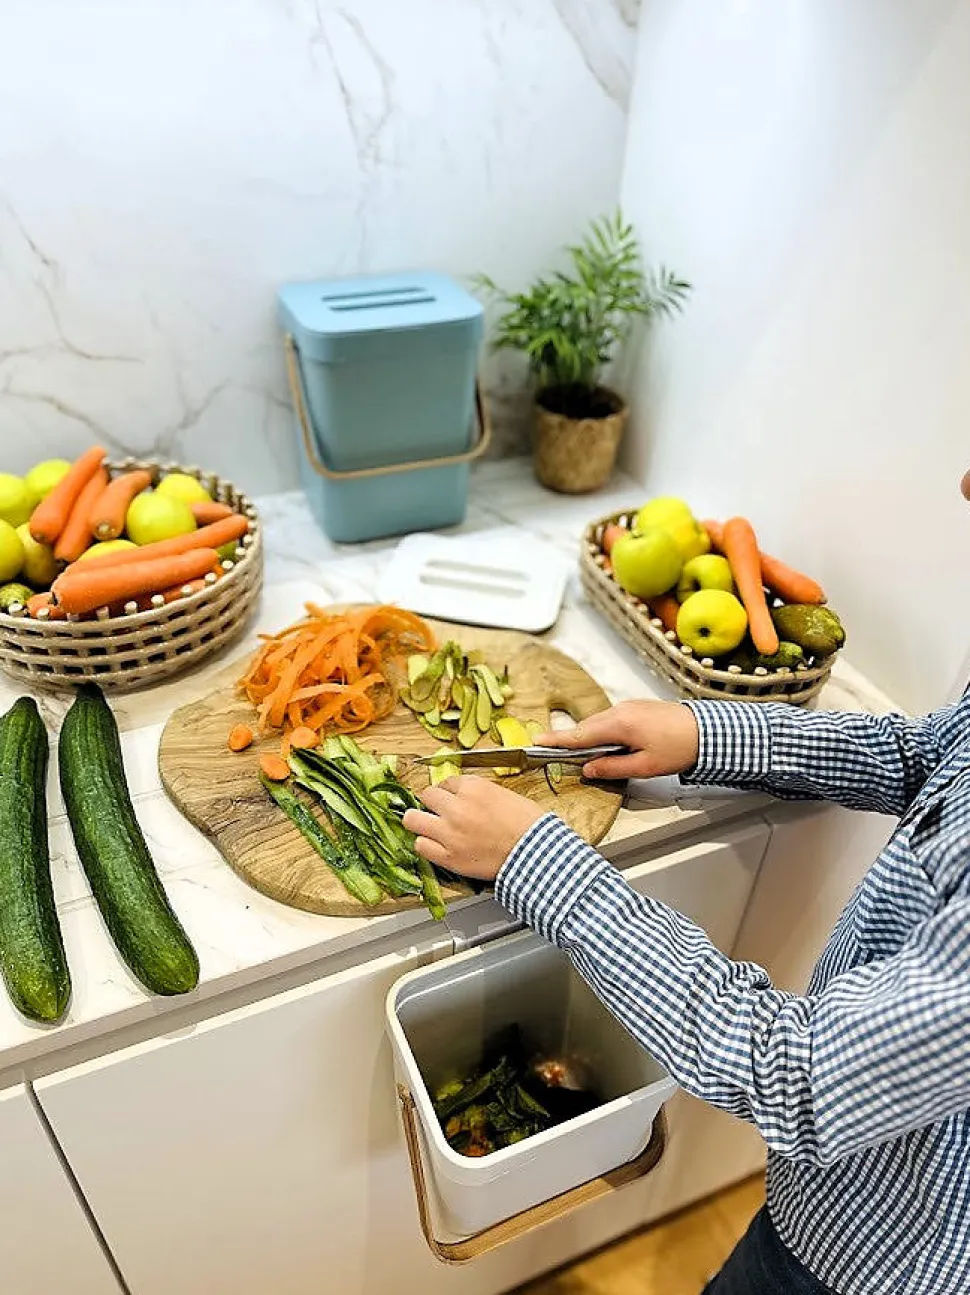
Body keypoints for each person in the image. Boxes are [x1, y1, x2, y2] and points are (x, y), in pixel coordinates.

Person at [402, 470, 970, 1295]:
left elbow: (800, 1072)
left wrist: (540, 864)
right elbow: (928, 757)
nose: (963, 480)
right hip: (838, 1194)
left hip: (886, 1255)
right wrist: (709, 733)